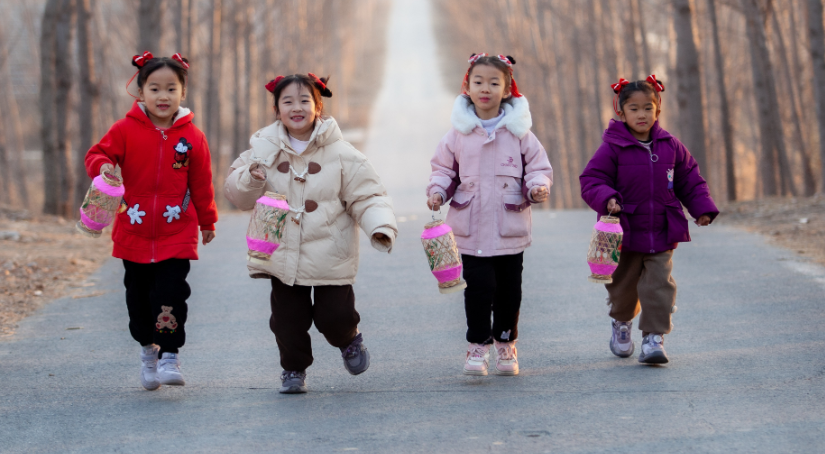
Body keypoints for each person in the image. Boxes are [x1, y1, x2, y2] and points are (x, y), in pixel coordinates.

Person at [224, 73, 397, 394]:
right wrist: (251, 176)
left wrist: (380, 225)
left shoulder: (342, 153)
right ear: (277, 109)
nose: (297, 107)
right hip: (281, 253)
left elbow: (368, 195)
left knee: (336, 316)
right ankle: (293, 369)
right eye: (287, 101)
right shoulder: (263, 150)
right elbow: (237, 194)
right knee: (287, 322)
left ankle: (348, 339)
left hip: (332, 251)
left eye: (305, 100)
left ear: (318, 107)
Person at [84, 52, 217, 390]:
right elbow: (96, 154)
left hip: (177, 231)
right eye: (154, 89)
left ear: (182, 93)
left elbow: (201, 183)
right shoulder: (124, 130)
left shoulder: (193, 138)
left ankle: (170, 354)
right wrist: (102, 166)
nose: (163, 96)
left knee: (172, 293)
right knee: (139, 299)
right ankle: (148, 349)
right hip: (134, 230)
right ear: (140, 92)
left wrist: (207, 220)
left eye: (171, 89)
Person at [427, 54, 552, 376]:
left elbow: (538, 167)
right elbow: (443, 168)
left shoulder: (520, 133)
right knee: (478, 288)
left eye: (494, 83)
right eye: (478, 82)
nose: (486, 88)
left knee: (510, 292)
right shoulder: (457, 134)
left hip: (509, 229)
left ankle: (506, 343)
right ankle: (478, 345)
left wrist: (537, 187)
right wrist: (438, 191)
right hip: (468, 231)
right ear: (467, 87)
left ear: (507, 89)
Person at [580, 75, 718, 364]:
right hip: (625, 233)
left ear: (658, 109)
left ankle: (653, 338)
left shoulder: (670, 145)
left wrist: (701, 208)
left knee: (659, 286)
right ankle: (621, 323)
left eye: (648, 107)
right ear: (621, 111)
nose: (641, 114)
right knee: (623, 289)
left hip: (662, 230)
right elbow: (592, 179)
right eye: (634, 108)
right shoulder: (612, 147)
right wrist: (607, 198)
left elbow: (690, 180)